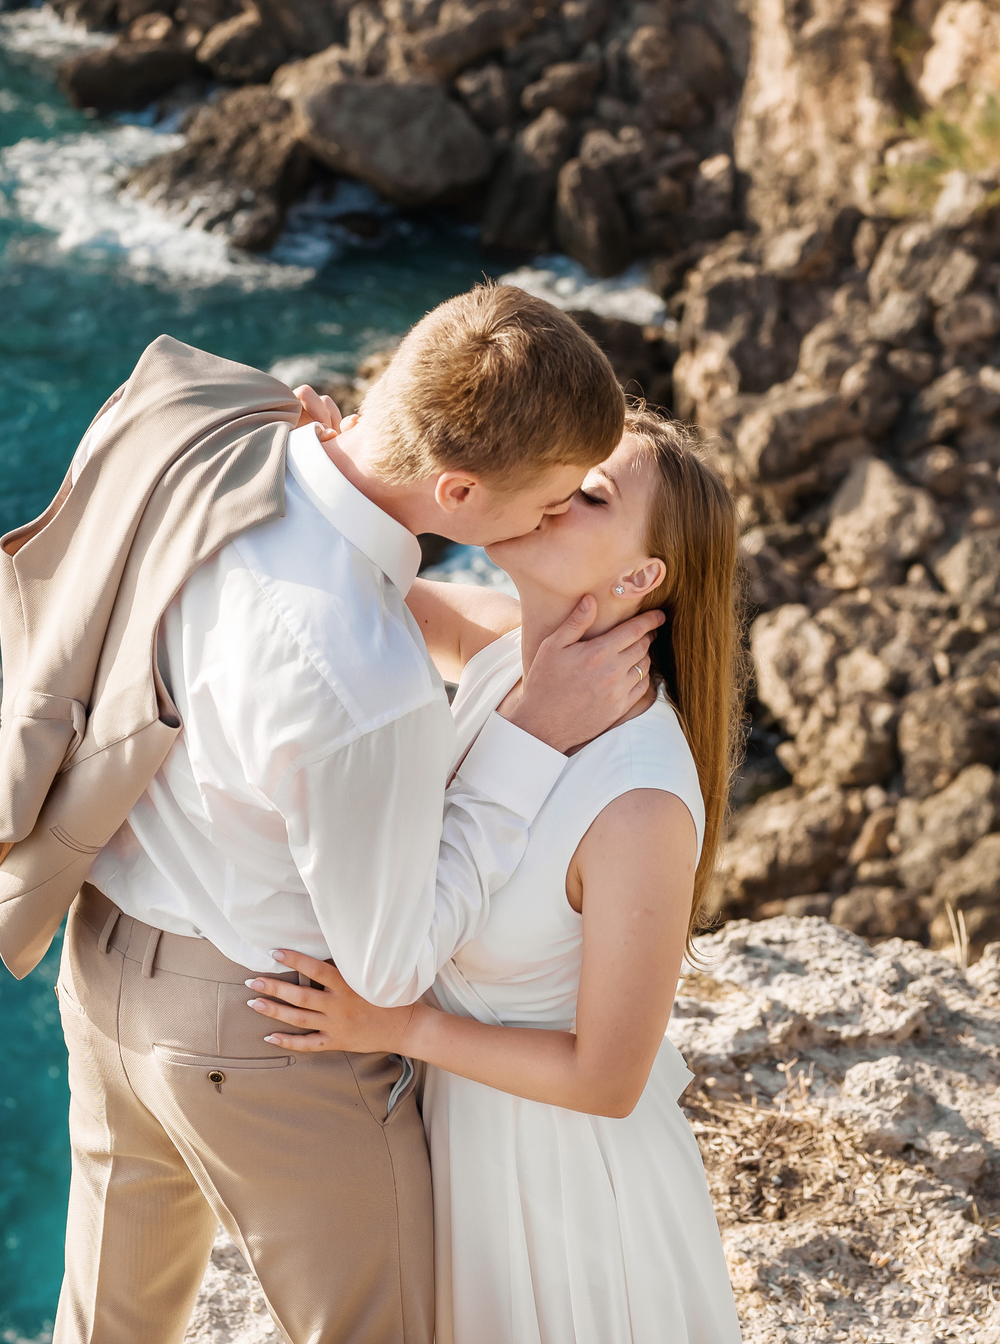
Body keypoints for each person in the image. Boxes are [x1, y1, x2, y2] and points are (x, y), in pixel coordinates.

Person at [0, 286, 667, 1344]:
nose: (547, 519)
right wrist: (527, 732)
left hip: (105, 971)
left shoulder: (206, 427)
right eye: (543, 500)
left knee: (106, 1329)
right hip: (259, 1035)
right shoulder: (363, 680)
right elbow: (390, 965)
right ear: (455, 486)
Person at [249, 405, 746, 1344]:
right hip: (456, 1145)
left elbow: (610, 1077)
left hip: (567, 1191)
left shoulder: (636, 799)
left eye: (587, 493)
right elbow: (359, 588)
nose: (550, 490)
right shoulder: (498, 654)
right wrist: (334, 461)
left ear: (642, 577)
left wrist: (397, 1022)